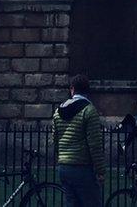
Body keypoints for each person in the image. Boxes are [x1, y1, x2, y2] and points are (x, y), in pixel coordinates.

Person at [52, 73, 104, 207]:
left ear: (72, 89)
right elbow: (95, 144)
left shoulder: (58, 111)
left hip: (64, 167)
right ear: (87, 91)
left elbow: (55, 139)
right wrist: (100, 170)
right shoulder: (89, 111)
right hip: (82, 167)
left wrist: (61, 158)